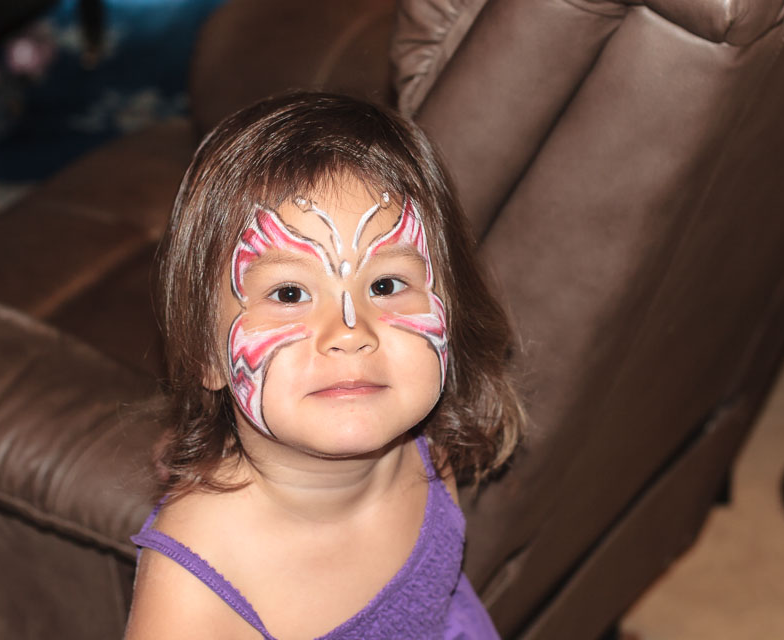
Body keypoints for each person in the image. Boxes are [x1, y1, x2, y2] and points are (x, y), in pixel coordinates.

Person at [124, 92, 525, 639]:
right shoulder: (194, 589)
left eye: (386, 285)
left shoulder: (429, 452)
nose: (351, 332)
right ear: (204, 354)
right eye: (289, 293)